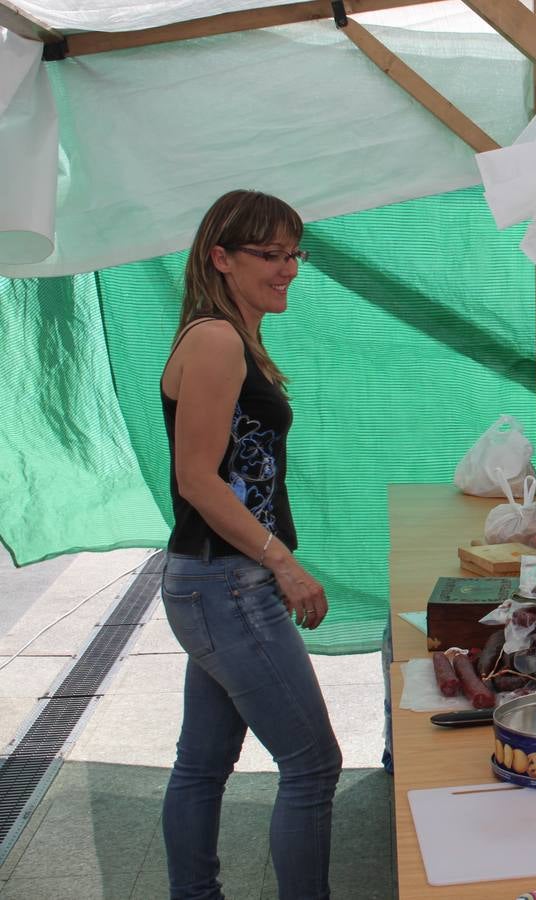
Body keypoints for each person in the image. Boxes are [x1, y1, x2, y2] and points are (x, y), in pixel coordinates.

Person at [159, 190, 342, 900]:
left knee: (201, 765)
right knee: (312, 765)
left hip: (214, 584)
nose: (289, 268)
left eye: (295, 253)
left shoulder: (233, 335)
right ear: (221, 257)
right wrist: (283, 563)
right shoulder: (215, 339)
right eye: (272, 254)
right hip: (226, 584)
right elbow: (199, 481)